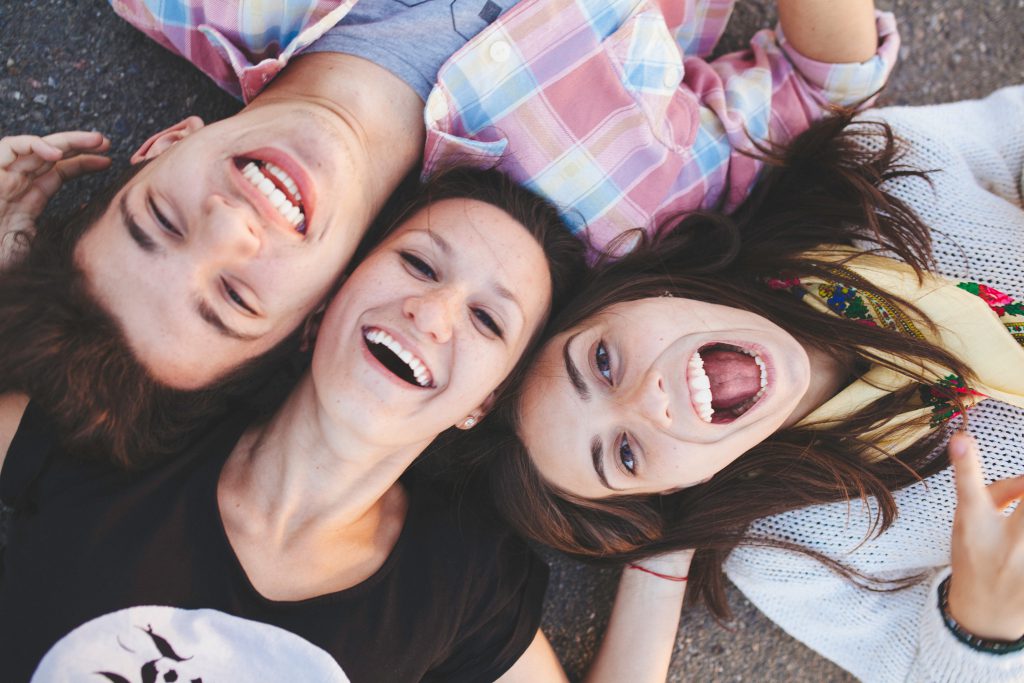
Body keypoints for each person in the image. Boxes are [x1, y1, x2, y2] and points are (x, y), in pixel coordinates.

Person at [0, 166, 695, 682]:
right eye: (419, 264)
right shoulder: (132, 426)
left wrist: (675, 539)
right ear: (331, 294)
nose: (433, 312)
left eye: (488, 319)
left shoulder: (455, 583)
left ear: (484, 402)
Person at [479, 87, 1024, 681]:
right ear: (680, 487)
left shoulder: (869, 180)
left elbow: (1008, 133)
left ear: (638, 293)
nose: (646, 402)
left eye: (604, 362)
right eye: (626, 453)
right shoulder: (790, 557)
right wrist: (981, 628)